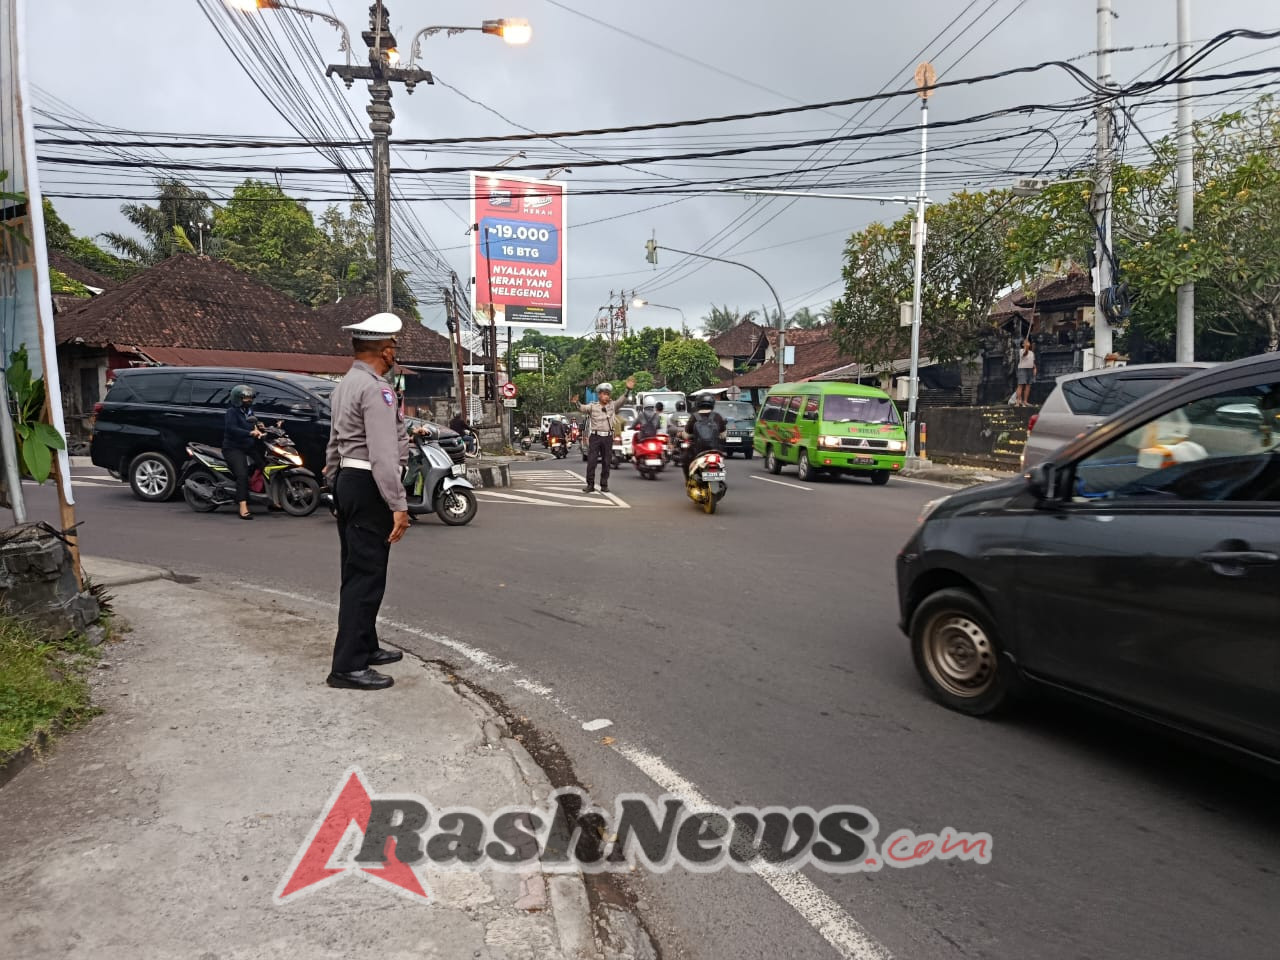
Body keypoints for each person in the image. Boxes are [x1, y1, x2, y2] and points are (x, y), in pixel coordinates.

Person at [323, 312, 411, 691]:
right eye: (393, 346)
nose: (395, 352)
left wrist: (331, 480)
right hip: (368, 483)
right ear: (385, 350)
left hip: (349, 479)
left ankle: (366, 644)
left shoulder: (345, 384)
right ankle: (347, 666)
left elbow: (334, 442)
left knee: (356, 569)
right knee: (367, 575)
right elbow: (383, 454)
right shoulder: (377, 390)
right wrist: (398, 504)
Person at [573, 377, 635, 493]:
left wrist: (628, 390)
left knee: (606, 462)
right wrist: (576, 402)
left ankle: (604, 484)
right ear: (599, 395)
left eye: (608, 394)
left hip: (607, 437)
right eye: (605, 394)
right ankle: (590, 485)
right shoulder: (592, 406)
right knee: (592, 462)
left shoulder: (613, 405)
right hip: (595, 437)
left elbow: (622, 400)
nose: (607, 396)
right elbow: (582, 408)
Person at [223, 384, 266, 520]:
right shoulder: (232, 412)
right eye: (246, 398)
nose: (249, 400)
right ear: (238, 399)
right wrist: (249, 433)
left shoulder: (249, 411)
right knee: (242, 474)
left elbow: (253, 423)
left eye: (250, 398)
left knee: (264, 467)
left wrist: (260, 427)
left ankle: (271, 499)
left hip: (248, 446)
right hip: (233, 448)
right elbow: (231, 429)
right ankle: (242, 506)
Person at [682, 394, 727, 475]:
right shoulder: (717, 416)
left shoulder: (694, 417)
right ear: (712, 404)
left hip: (697, 451)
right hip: (715, 450)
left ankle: (689, 479)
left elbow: (686, 435)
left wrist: (690, 435)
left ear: (698, 404)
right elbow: (724, 435)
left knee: (685, 460)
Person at [1016, 339, 1037, 406]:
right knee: (1020, 385)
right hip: (1022, 369)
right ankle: (1018, 401)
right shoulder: (1021, 351)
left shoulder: (1032, 353)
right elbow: (1025, 354)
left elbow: (1032, 362)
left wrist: (1035, 369)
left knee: (1028, 386)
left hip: (1030, 369)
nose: (1028, 343)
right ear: (1022, 344)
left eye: (1028, 342)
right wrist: (1026, 347)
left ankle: (1025, 401)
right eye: (1025, 342)